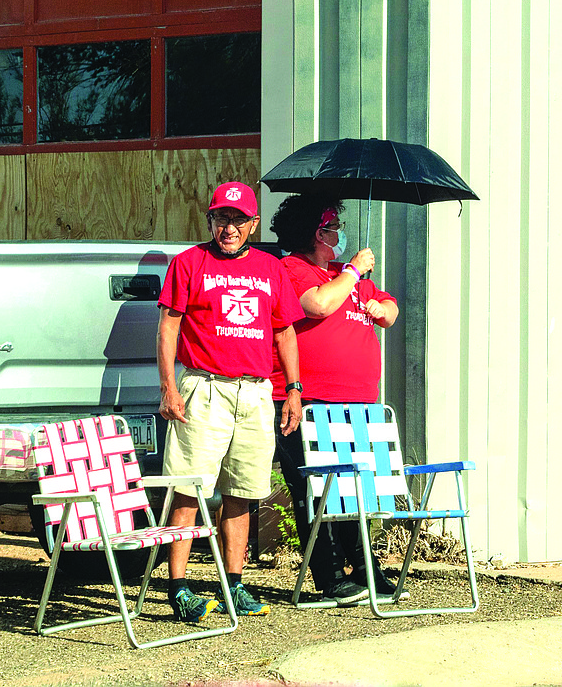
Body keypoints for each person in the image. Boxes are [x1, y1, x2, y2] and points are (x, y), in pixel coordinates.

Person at [157, 181, 305, 623]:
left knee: (242, 490)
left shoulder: (271, 268)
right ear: (211, 220)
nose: (230, 227)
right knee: (188, 487)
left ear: (253, 224)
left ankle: (233, 584)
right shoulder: (189, 263)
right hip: (204, 387)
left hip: (256, 391)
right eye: (223, 218)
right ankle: (178, 587)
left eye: (239, 220)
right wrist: (168, 386)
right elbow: (169, 328)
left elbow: (285, 332)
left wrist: (294, 389)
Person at [269, 194, 400, 604]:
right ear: (315, 233)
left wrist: (381, 306)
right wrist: (353, 270)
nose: (338, 234)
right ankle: (328, 575)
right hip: (311, 400)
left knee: (355, 488)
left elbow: (391, 312)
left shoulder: (350, 279)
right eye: (332, 227)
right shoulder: (293, 268)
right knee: (317, 489)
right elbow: (318, 304)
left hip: (358, 400)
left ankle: (365, 568)